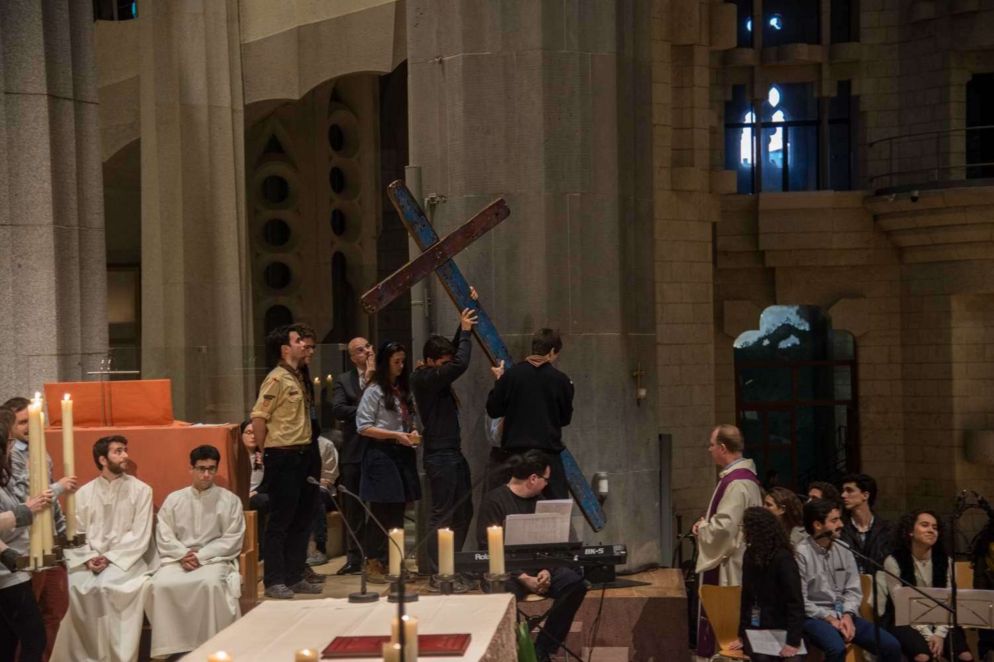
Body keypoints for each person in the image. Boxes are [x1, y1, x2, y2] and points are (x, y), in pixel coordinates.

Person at [476, 450, 587, 662]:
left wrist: (547, 569)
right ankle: (513, 650)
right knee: (501, 592)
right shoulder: (494, 501)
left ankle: (543, 648)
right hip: (508, 570)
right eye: (546, 479)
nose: (547, 484)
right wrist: (524, 577)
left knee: (575, 584)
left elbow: (550, 544)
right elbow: (487, 548)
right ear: (533, 478)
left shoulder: (540, 501)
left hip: (540, 567)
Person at [53, 436, 156, 662]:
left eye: (125, 450)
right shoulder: (83, 493)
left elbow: (139, 534)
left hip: (126, 561)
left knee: (110, 587)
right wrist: (88, 558)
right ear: (102, 459)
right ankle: (86, 656)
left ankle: (117, 656)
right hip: (89, 561)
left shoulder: (142, 490)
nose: (125, 455)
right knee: (80, 588)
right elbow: (75, 531)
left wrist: (109, 558)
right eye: (118, 451)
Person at [148, 445, 246, 658]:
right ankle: (172, 648)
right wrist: (182, 554)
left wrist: (201, 556)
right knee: (160, 585)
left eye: (211, 469)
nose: (206, 474)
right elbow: (164, 532)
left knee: (211, 584)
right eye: (201, 468)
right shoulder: (175, 499)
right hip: (177, 559)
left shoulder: (230, 500)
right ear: (191, 469)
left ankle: (211, 645)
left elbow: (232, 538)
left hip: (213, 560)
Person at [249, 325, 321, 599]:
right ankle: (274, 579)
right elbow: (259, 418)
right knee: (280, 520)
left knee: (303, 517)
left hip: (304, 453)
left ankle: (295, 575)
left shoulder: (300, 377)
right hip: (283, 454)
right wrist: (265, 450)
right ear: (285, 349)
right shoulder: (276, 379)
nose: (305, 345)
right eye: (298, 341)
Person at [3, 396, 77, 662]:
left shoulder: (41, 451)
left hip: (48, 540)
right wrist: (58, 487)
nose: (29, 427)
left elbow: (50, 502)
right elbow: (25, 501)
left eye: (32, 421)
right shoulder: (10, 457)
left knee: (54, 610)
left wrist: (62, 532)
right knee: (25, 628)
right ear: (9, 427)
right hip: (27, 542)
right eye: (23, 422)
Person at [411, 305, 478, 576]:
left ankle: (453, 565)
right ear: (430, 360)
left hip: (452, 453)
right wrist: (466, 334)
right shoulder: (424, 377)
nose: (447, 367)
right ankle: (439, 571)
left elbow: (452, 358)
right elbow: (459, 364)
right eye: (443, 362)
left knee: (463, 512)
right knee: (442, 515)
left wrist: (463, 324)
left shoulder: (434, 372)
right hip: (439, 456)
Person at [795, 498, 900, 662]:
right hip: (814, 616)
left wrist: (848, 615)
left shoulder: (844, 549)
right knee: (836, 649)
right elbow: (801, 600)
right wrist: (829, 618)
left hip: (843, 613)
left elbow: (853, 590)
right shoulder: (801, 553)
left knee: (891, 645)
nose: (841, 524)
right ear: (817, 525)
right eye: (834, 520)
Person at [692, 424, 762, 658]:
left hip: (731, 563)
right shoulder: (743, 478)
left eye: (712, 445)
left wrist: (703, 527)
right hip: (740, 556)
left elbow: (724, 529)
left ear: (722, 448)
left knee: (726, 630)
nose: (709, 449)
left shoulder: (736, 483)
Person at [356, 341, 421, 580]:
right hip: (380, 453)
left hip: (401, 451)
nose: (401, 366)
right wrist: (395, 435)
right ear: (385, 363)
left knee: (398, 510)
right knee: (382, 510)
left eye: (403, 361)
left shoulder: (402, 389)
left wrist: (411, 431)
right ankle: (373, 561)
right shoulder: (374, 390)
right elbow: (363, 426)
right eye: (396, 362)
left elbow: (406, 418)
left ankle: (395, 561)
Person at [485, 328, 574, 498]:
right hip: (548, 457)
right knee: (555, 509)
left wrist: (499, 383)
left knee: (515, 507)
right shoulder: (562, 381)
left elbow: (493, 410)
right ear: (552, 352)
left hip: (516, 457)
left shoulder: (510, 376)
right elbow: (564, 419)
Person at [877, 510, 973, 662]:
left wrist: (939, 634)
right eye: (925, 525)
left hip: (942, 620)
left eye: (935, 527)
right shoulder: (894, 560)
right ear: (910, 531)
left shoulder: (945, 560)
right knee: (923, 656)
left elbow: (950, 602)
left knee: (965, 656)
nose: (931, 530)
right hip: (905, 620)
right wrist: (929, 636)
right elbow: (902, 607)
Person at [0, 412, 52, 662]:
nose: (13, 449)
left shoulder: (5, 478)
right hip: (6, 574)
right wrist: (25, 510)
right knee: (34, 638)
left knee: (8, 640)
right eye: (9, 443)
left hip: (11, 566)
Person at [729, 507, 804, 662]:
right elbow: (746, 598)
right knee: (761, 658)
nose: (743, 531)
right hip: (757, 627)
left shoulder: (783, 558)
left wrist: (793, 641)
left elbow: (795, 602)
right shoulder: (750, 555)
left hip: (783, 627)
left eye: (745, 527)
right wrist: (741, 634)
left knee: (793, 660)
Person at [331, 336, 375, 575]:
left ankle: (377, 556)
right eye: (360, 350)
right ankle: (354, 557)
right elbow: (339, 409)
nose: (366, 351)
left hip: (379, 450)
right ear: (352, 357)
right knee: (354, 508)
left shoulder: (383, 377)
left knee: (379, 506)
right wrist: (367, 409)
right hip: (354, 451)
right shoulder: (344, 380)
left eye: (368, 347)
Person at [839, 473, 893, 574]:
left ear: (865, 495)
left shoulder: (887, 529)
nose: (843, 495)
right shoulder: (840, 528)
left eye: (849, 490)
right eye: (843, 491)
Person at [306, 434, 340, 566]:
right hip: (300, 489)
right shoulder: (290, 443)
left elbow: (328, 479)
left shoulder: (325, 444)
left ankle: (320, 548)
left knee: (316, 497)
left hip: (323, 490)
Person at [240, 419, 267, 556]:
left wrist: (255, 491)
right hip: (239, 495)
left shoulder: (263, 456)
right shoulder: (236, 456)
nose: (253, 436)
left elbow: (268, 482)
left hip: (255, 495)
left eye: (256, 433)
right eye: (249, 432)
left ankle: (263, 550)